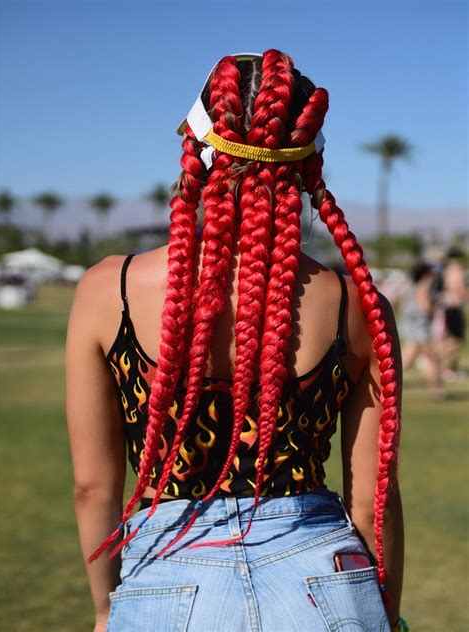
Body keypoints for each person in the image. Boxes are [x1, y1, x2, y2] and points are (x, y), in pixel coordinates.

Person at [66, 50, 406, 632]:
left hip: (167, 576)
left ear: (197, 151)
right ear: (309, 164)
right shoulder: (354, 305)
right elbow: (373, 497)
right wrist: (386, 617)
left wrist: (106, 609)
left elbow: (93, 487)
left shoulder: (109, 290)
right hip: (325, 582)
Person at [399, 262, 444, 400]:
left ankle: (386, 382)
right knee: (433, 360)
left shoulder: (413, 286)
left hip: (414, 330)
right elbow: (426, 308)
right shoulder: (423, 288)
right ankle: (436, 391)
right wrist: (437, 302)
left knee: (406, 361)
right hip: (420, 331)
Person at [440, 247, 467, 379]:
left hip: (449, 307)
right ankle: (439, 361)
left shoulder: (446, 270)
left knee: (454, 339)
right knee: (457, 340)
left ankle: (451, 367)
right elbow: (459, 288)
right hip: (454, 307)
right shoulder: (456, 270)